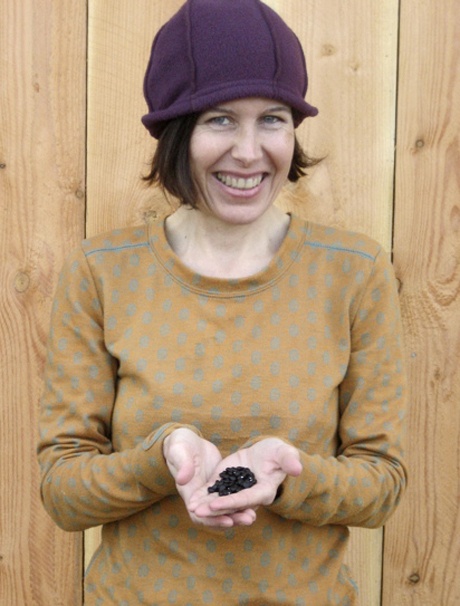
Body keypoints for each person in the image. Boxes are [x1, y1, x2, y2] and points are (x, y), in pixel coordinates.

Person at [37, 0, 408, 604]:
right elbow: (63, 490)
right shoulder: (102, 273)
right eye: (219, 120)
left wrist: (290, 473)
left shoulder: (356, 274)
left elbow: (381, 483)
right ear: (175, 131)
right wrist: (164, 460)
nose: (248, 151)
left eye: (273, 118)